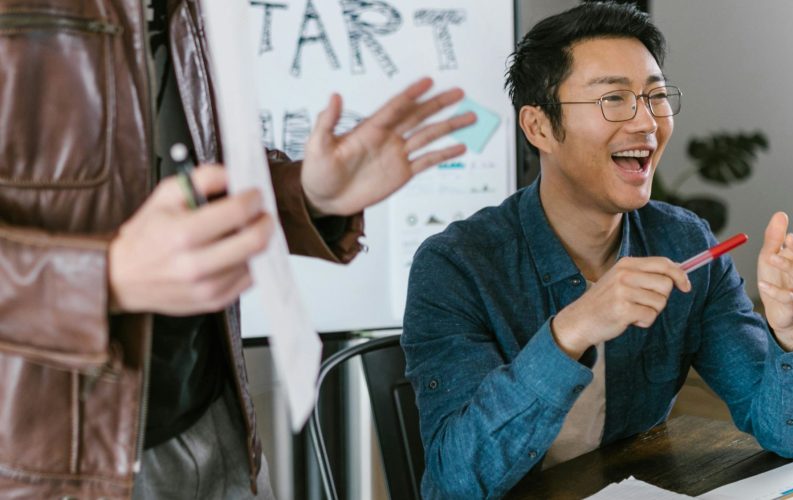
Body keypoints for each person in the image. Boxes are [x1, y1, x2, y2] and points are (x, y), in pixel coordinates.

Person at [0, 0, 474, 497]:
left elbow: (178, 174)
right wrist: (104, 278)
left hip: (215, 427)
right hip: (44, 465)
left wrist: (305, 195)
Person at [401, 2, 793, 498]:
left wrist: (790, 329)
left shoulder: (684, 243)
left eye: (655, 96)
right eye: (613, 98)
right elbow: (458, 481)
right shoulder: (456, 266)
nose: (647, 123)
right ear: (538, 127)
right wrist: (574, 328)